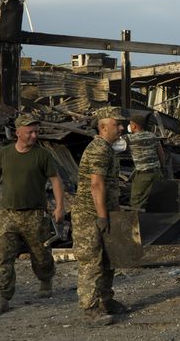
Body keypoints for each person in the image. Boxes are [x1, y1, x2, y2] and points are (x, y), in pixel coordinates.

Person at [0, 113, 65, 316]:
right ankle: (1, 297)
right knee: (2, 257)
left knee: (41, 254)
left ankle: (45, 279)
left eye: (36, 132)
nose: (34, 136)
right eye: (30, 132)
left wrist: (59, 207)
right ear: (18, 133)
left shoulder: (42, 155)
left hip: (34, 214)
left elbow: (56, 180)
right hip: (7, 214)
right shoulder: (4, 154)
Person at [73, 106, 129, 325]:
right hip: (89, 215)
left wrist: (113, 210)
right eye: (117, 124)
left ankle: (106, 300)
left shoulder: (108, 148)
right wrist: (102, 216)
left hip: (102, 212)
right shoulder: (99, 149)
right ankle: (90, 308)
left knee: (108, 260)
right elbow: (96, 184)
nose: (122, 128)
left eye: (122, 124)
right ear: (103, 126)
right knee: (91, 262)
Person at [126, 111, 166, 210]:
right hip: (157, 173)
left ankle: (137, 224)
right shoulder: (153, 136)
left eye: (130, 124)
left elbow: (116, 145)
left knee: (136, 202)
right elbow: (161, 154)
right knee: (155, 202)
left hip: (143, 175)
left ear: (134, 126)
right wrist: (162, 168)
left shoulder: (129, 138)